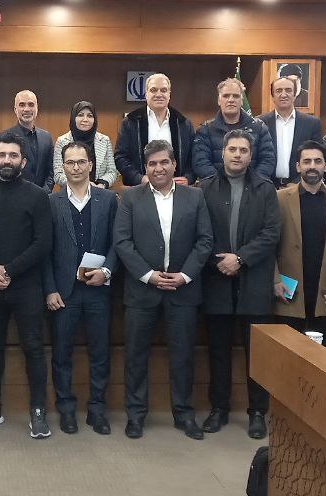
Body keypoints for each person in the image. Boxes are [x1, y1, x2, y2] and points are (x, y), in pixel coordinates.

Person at [114, 140, 213, 440]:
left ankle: (184, 415)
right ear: (145, 168)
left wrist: (185, 276)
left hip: (183, 289)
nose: (158, 168)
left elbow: (205, 241)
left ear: (174, 164)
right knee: (135, 356)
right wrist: (148, 276)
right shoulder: (131, 197)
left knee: (183, 356)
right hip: (141, 290)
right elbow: (122, 242)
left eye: (163, 162)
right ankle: (135, 415)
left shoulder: (195, 196)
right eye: (152, 164)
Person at [195, 129, 280, 439]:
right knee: (218, 350)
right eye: (232, 149)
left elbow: (271, 233)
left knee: (256, 352)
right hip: (216, 278)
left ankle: (257, 411)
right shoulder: (204, 188)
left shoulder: (265, 189)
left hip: (253, 280)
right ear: (222, 152)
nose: (237, 155)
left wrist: (240, 259)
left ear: (251, 155)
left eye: (243, 150)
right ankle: (219, 408)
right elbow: (197, 232)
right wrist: (218, 261)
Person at [0, 132, 54, 438]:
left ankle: (38, 411)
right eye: (2, 155)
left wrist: (9, 270)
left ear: (23, 161)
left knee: (33, 347)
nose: (7, 160)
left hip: (26, 286)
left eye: (13, 155)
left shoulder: (38, 196)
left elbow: (43, 243)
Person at [43, 141, 118, 435]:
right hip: (63, 293)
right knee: (62, 354)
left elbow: (118, 242)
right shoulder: (51, 202)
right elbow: (44, 251)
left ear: (91, 165)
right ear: (63, 167)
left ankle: (97, 410)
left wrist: (107, 270)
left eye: (81, 162)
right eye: (70, 163)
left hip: (99, 289)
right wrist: (49, 289)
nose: (76, 167)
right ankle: (66, 409)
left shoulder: (108, 200)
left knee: (100, 353)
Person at [275, 141, 326, 349]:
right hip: (288, 289)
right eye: (306, 161)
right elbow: (269, 243)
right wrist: (274, 279)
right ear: (298, 166)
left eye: (318, 161)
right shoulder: (280, 198)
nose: (312, 166)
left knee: (323, 356)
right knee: (287, 354)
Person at [116, 73, 195, 186]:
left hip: (176, 189)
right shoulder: (131, 122)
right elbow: (121, 157)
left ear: (169, 94)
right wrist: (139, 179)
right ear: (146, 94)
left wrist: (188, 178)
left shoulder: (183, 124)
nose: (159, 94)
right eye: (153, 90)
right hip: (141, 188)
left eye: (163, 90)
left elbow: (193, 157)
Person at [192, 77, 276, 181]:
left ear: (242, 101)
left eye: (236, 96)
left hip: (253, 187)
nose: (231, 100)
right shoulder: (205, 129)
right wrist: (221, 184)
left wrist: (253, 183)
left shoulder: (259, 128)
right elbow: (200, 162)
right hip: (216, 187)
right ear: (219, 100)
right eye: (226, 96)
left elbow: (267, 160)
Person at [260, 76, 322, 187]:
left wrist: (297, 183)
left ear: (295, 94)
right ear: (272, 96)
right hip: (267, 187)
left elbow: (318, 157)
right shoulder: (260, 123)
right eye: (278, 91)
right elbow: (256, 157)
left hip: (300, 187)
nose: (283, 95)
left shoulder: (312, 123)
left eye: (288, 90)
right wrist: (266, 183)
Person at [0, 90, 54, 190]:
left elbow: (51, 171)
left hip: (42, 195)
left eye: (31, 105)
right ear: (15, 109)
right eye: (22, 105)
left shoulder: (46, 137)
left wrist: (44, 192)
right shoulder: (3, 137)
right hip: (12, 195)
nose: (26, 109)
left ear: (37, 108)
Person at [52, 101, 118, 188]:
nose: (85, 119)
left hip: (100, 191)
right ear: (73, 118)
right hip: (71, 191)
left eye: (90, 116)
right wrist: (84, 185)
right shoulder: (62, 141)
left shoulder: (104, 140)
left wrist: (101, 185)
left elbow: (112, 171)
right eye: (80, 115)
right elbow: (58, 174)